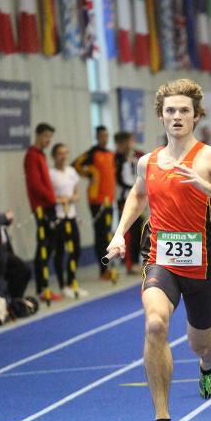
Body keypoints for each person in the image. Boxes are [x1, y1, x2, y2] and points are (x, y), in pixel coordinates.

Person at [105, 79, 211, 421]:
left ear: (197, 116)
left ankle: (207, 364)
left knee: (201, 343)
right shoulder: (148, 161)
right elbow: (137, 195)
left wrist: (206, 186)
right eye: (170, 110)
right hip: (161, 259)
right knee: (155, 324)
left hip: (202, 265)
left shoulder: (210, 158)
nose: (177, 116)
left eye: (184, 110)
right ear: (161, 116)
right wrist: (120, 234)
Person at [24, 123, 62, 301]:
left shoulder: (41, 155)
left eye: (50, 137)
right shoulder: (32, 155)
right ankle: (42, 288)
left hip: (49, 205)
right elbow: (35, 184)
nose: (48, 140)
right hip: (42, 208)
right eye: (46, 136)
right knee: (44, 248)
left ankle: (44, 286)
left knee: (49, 246)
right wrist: (53, 199)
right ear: (38, 135)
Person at [73, 126, 116, 279]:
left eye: (106, 135)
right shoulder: (92, 153)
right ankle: (103, 270)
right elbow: (75, 164)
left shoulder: (111, 154)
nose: (104, 138)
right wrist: (89, 174)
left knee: (108, 233)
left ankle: (108, 268)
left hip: (109, 199)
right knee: (101, 235)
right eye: (102, 136)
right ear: (97, 137)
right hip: (96, 199)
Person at [49, 143, 88, 299]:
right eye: (60, 153)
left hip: (71, 216)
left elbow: (77, 191)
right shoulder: (50, 174)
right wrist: (59, 200)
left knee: (76, 249)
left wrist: (73, 198)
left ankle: (71, 281)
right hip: (59, 217)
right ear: (54, 156)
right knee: (60, 251)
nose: (63, 156)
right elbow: (49, 196)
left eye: (65, 153)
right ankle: (62, 285)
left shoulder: (71, 171)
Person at [114, 130, 144, 274]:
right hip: (124, 199)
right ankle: (129, 263)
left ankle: (136, 260)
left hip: (139, 197)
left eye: (128, 142)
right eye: (121, 144)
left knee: (138, 231)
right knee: (128, 232)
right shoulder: (116, 159)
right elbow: (119, 179)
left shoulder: (139, 155)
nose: (125, 146)